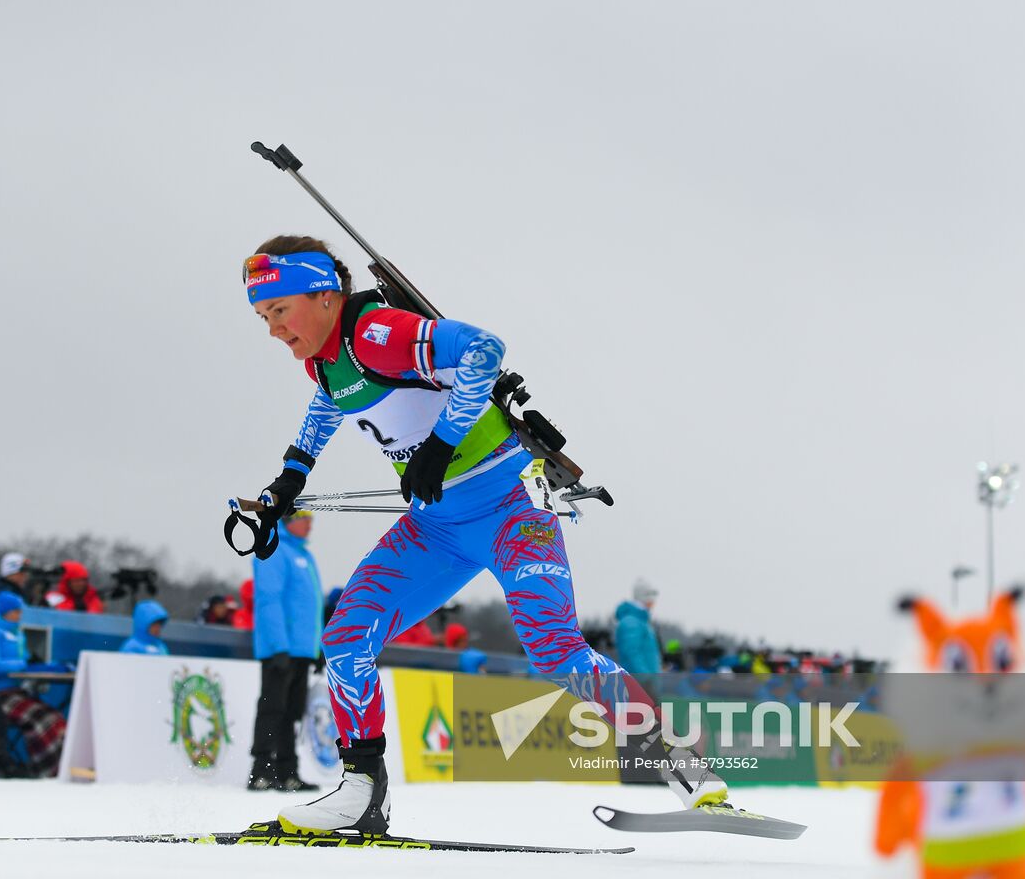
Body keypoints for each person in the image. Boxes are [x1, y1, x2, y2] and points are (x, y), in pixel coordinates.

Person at [234, 239, 728, 834]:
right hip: (437, 526)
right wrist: (288, 481)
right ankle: (363, 790)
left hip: (511, 509)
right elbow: (329, 403)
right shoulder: (326, 358)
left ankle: (685, 767)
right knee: (345, 638)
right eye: (263, 318)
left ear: (323, 294)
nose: (272, 330)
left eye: (280, 310)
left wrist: (442, 443)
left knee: (554, 649)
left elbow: (483, 350)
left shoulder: (375, 332)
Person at [247, 509, 324, 792]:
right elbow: (269, 600)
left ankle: (287, 771)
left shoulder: (303, 555)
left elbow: (309, 607)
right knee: (272, 707)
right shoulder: (275, 549)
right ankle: (261, 770)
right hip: (282, 648)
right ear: (289, 521)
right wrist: (278, 646)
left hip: (301, 649)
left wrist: (316, 647)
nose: (309, 525)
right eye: (304, 519)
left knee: (292, 711)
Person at [0, 592, 66, 777]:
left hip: (16, 691)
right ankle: (43, 768)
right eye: (15, 611)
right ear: (4, 611)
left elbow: (24, 657)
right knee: (42, 720)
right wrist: (23, 665)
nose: (18, 615)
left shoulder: (16, 633)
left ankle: (54, 766)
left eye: (19, 611)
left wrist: (35, 663)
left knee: (55, 718)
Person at [615, 578, 662, 678]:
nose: (654, 601)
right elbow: (632, 652)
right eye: (650, 595)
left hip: (646, 682)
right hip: (639, 683)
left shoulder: (641, 621)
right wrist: (646, 679)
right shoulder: (631, 622)